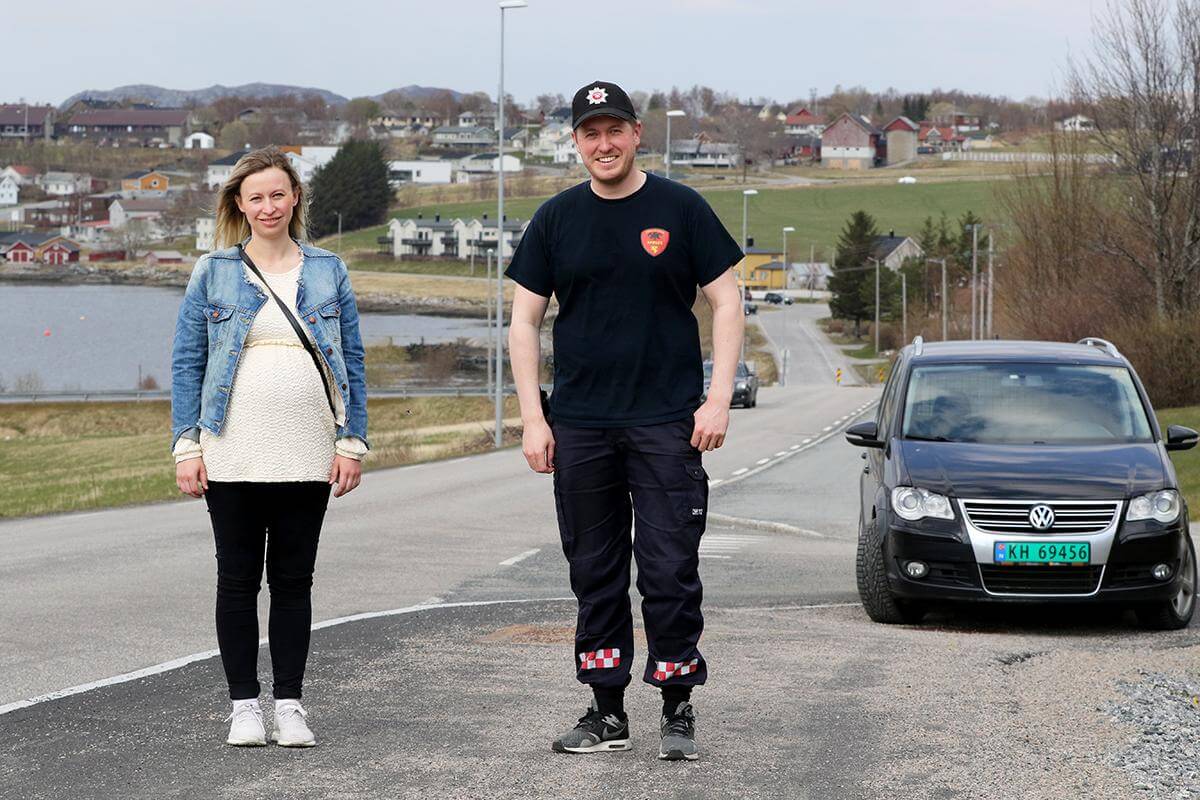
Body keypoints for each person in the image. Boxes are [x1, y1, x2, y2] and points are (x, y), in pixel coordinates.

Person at [506, 81, 745, 762]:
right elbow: (524, 322)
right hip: (579, 423)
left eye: (615, 131)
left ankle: (676, 703)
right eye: (590, 133)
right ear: (576, 141)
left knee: (669, 569)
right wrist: (533, 418)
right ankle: (607, 711)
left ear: (638, 133)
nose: (603, 145)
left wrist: (718, 395)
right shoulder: (556, 219)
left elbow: (728, 302)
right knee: (595, 569)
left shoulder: (681, 207)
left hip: (667, 422)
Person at [170, 146, 368, 747]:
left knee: (293, 580)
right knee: (236, 580)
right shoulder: (214, 271)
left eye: (277, 194)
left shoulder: (329, 269)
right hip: (230, 445)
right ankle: (243, 708)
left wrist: (351, 440)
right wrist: (187, 446)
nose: (267, 206)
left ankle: (289, 704)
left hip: (307, 446)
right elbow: (188, 362)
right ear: (238, 204)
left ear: (295, 197)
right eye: (255, 196)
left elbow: (352, 360)